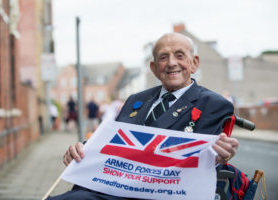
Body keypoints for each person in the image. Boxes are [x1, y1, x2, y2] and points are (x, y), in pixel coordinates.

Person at [53, 33, 239, 199]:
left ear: (194, 63)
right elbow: (113, 142)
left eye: (179, 55)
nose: (172, 63)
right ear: (154, 68)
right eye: (163, 57)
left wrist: (217, 157)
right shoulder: (136, 99)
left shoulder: (214, 104)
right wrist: (83, 149)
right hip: (110, 186)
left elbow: (203, 161)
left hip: (158, 193)